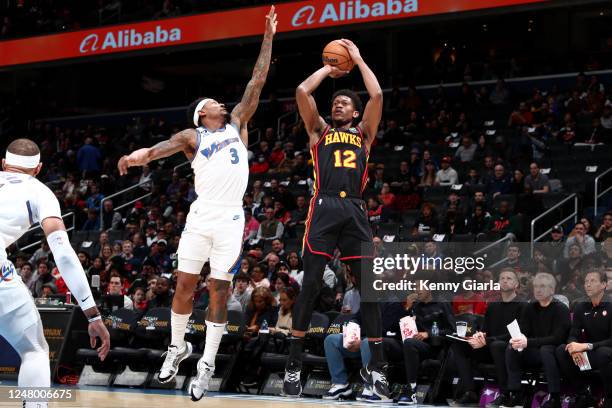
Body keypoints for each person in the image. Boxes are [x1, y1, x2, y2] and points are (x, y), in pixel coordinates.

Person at [117, 7, 276, 401]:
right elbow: (158, 150)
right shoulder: (193, 136)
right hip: (201, 215)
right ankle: (177, 347)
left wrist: (269, 36)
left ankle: (206, 364)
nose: (225, 103)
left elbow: (257, 81)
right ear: (202, 113)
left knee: (219, 290)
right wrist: (134, 158)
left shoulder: (238, 122)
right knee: (185, 286)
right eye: (216, 103)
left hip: (231, 218)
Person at [283, 39, 390, 401]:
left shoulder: (364, 133)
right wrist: (329, 69)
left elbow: (376, 96)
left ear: (355, 112)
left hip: (355, 209)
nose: (337, 103)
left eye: (344, 102)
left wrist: (357, 59)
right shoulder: (319, 131)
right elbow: (301, 90)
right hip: (324, 207)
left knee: (370, 291)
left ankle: (375, 369)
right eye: (335, 102)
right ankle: (294, 364)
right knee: (311, 284)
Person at [0, 139, 110, 408]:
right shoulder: (42, 193)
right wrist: (92, 314)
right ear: (38, 168)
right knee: (34, 350)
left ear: (3, 164)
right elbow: (62, 253)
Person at [451, 269, 524, 406]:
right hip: (490, 346)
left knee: (498, 346)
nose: (505, 281)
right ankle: (470, 391)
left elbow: (515, 334)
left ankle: (505, 393)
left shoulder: (522, 305)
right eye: (502, 278)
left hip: (510, 348)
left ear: (516, 284)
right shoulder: (493, 306)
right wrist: (479, 336)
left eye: (509, 278)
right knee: (459, 345)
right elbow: (485, 330)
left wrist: (486, 340)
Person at [503, 273, 570, 408]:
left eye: (543, 286)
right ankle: (515, 393)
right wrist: (518, 338)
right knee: (511, 348)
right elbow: (524, 330)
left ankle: (554, 397)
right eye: (536, 286)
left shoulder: (561, 309)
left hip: (554, 350)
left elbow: (558, 338)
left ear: (552, 290)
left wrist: (528, 342)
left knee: (546, 349)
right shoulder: (530, 307)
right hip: (534, 351)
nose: (538, 290)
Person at [556, 270, 612, 408]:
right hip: (592, 355)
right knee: (562, 350)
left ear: (604, 284)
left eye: (593, 281)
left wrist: (586, 346)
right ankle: (583, 393)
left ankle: (609, 397)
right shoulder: (580, 306)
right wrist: (573, 347)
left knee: (603, 352)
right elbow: (573, 333)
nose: (588, 284)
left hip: (606, 352)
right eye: (586, 281)